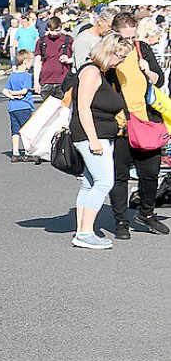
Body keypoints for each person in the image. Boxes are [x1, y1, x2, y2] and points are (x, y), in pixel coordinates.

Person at [104, 12, 167, 238]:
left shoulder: (142, 49)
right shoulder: (107, 52)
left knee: (150, 173)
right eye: (125, 38)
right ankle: (121, 221)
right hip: (120, 125)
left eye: (132, 37)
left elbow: (160, 79)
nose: (129, 43)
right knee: (119, 176)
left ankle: (147, 213)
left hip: (146, 121)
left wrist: (147, 70)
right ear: (114, 34)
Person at [69, 35, 130, 250]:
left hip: (98, 134)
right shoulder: (91, 72)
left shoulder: (97, 71)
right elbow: (83, 108)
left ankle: (83, 230)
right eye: (119, 57)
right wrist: (94, 140)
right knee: (105, 182)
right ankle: (84, 233)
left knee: (89, 183)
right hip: (92, 136)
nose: (120, 62)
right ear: (108, 52)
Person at [5, 49, 37, 161]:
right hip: (24, 106)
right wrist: (15, 93)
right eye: (30, 62)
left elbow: (5, 90)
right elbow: (24, 91)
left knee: (15, 130)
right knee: (27, 130)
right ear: (25, 62)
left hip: (13, 107)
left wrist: (11, 96)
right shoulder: (26, 76)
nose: (31, 64)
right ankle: (28, 151)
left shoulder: (13, 75)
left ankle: (15, 152)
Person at [38, 19, 73, 98]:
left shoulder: (68, 39)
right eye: (52, 30)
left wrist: (68, 60)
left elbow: (77, 57)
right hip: (46, 80)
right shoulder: (42, 41)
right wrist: (36, 81)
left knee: (63, 108)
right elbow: (38, 61)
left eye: (57, 30)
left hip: (63, 80)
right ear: (47, 28)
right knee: (47, 108)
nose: (54, 33)